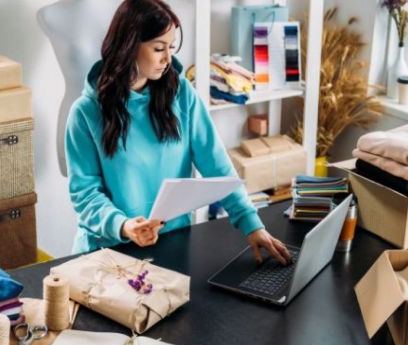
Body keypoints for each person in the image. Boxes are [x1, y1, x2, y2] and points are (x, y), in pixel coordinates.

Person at [65, 0, 291, 265]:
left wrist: (252, 225)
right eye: (158, 48)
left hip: (172, 245)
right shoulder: (85, 113)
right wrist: (124, 226)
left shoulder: (181, 94)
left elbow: (216, 165)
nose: (167, 59)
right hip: (109, 252)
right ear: (128, 45)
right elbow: (85, 194)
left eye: (170, 48)